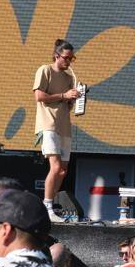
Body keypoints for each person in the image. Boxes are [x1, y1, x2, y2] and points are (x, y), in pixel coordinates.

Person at [34, 39, 82, 223]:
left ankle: (50, 205)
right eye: (66, 58)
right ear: (56, 56)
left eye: (72, 58)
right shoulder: (45, 70)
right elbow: (39, 96)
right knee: (55, 167)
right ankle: (47, 207)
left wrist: (74, 100)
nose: (69, 62)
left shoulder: (70, 77)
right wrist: (64, 95)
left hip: (64, 126)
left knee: (62, 171)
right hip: (49, 124)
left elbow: (67, 105)